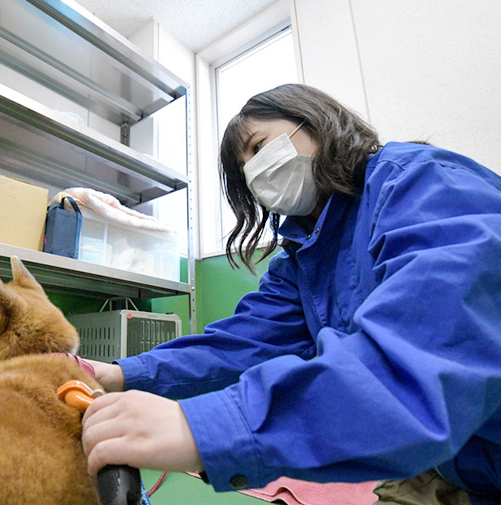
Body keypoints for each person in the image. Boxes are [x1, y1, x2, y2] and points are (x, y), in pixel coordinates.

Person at [81, 83, 501, 505]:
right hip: (458, 464)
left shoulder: (423, 185)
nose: (258, 170)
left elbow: (421, 360)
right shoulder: (303, 259)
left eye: (260, 146)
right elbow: (242, 343)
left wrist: (204, 427)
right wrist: (120, 373)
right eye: (246, 168)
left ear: (313, 118)